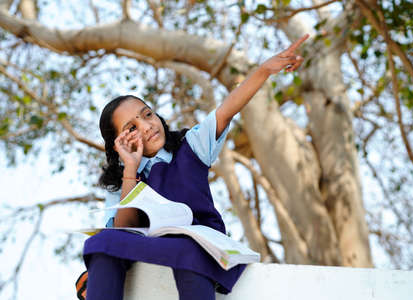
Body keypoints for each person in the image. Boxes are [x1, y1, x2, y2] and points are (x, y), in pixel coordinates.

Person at [81, 34, 309, 300]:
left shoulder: (191, 145)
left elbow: (226, 110)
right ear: (118, 142)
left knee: (189, 252)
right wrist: (130, 169)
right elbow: (124, 232)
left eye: (147, 114)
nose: (147, 125)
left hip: (199, 244)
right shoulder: (123, 179)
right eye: (132, 128)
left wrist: (264, 70)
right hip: (152, 247)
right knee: (99, 242)